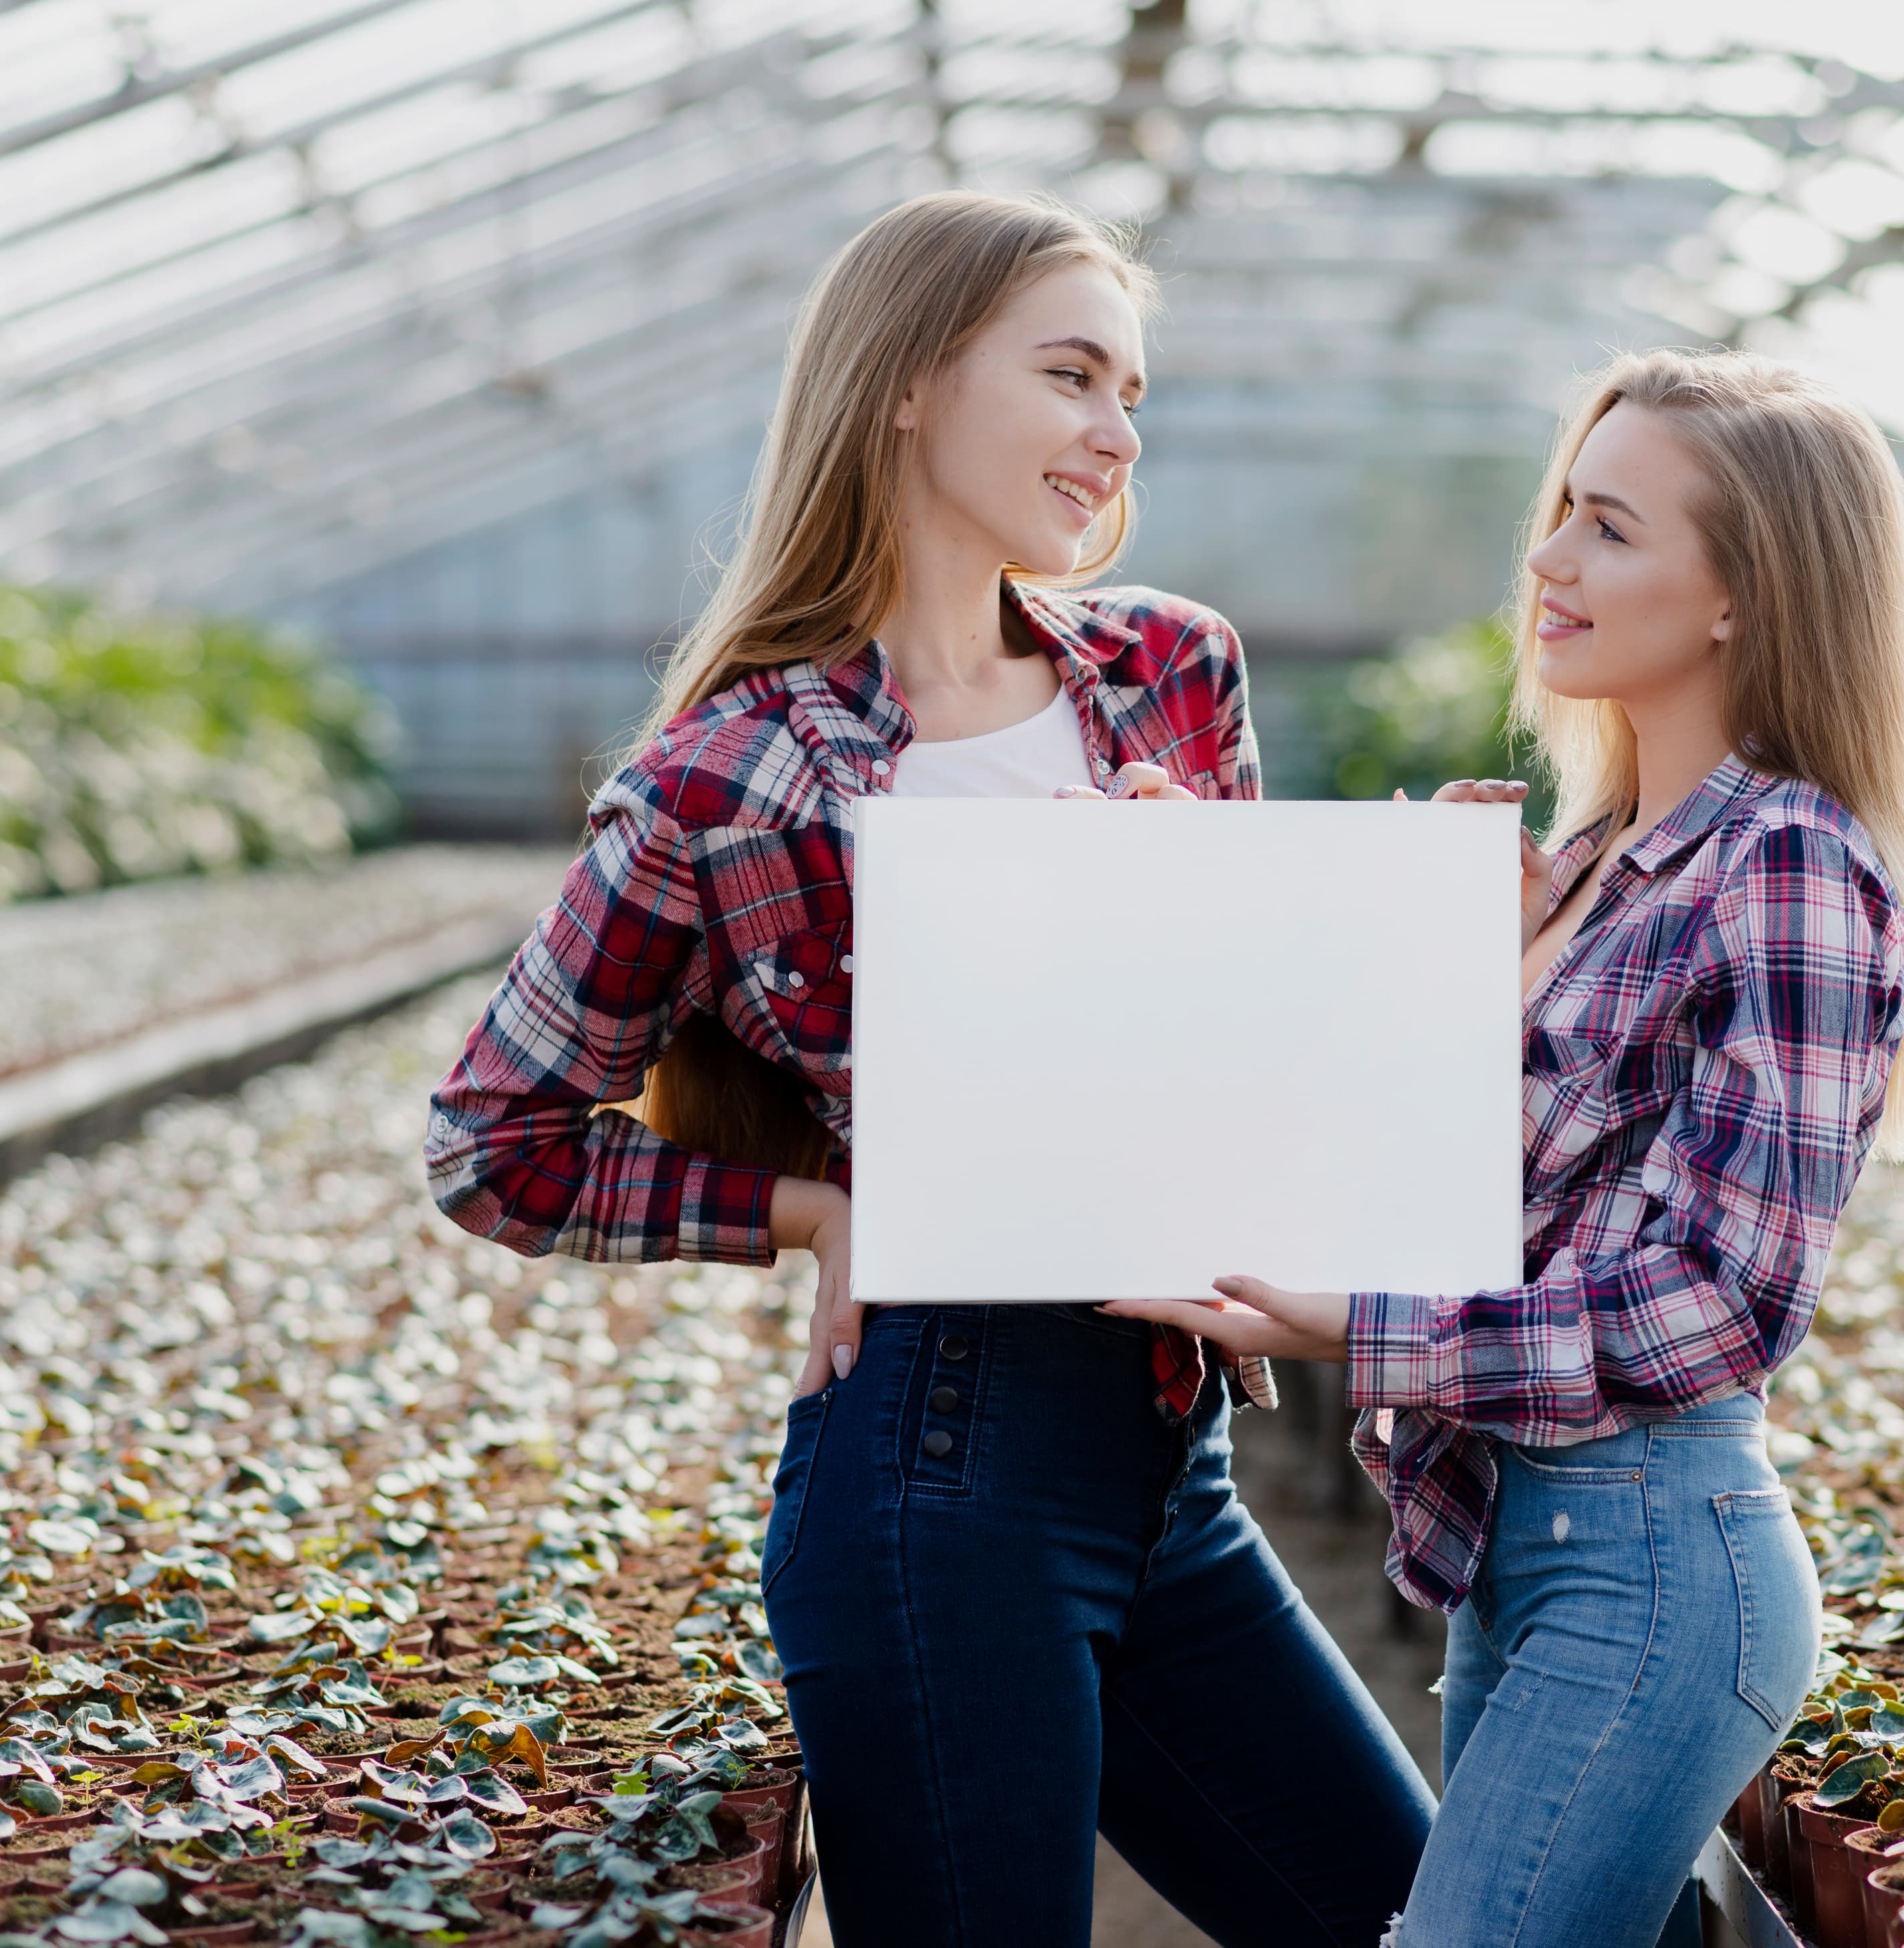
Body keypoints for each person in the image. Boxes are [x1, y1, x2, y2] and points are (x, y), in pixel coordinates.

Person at [423, 191, 1435, 1948]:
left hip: (1172, 1469)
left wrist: (1326, 914)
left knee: (1437, 1918)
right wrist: (814, 1201)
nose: (1117, 430)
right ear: (906, 382)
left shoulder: (1172, 671)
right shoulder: (731, 772)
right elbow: (492, 1140)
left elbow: (1249, 1084)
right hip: (938, 1480)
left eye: (1133, 390)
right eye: (1070, 373)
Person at [1105, 349, 1904, 1948]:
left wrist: (1356, 1327)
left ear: (1739, 596)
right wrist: (1216, 900)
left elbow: (1720, 1305)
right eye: (1563, 506)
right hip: (1530, 1553)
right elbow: (1403, 1165)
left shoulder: (1788, 864)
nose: (1549, 557)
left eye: (1612, 527)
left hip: (1652, 1569)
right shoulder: (1585, 866)